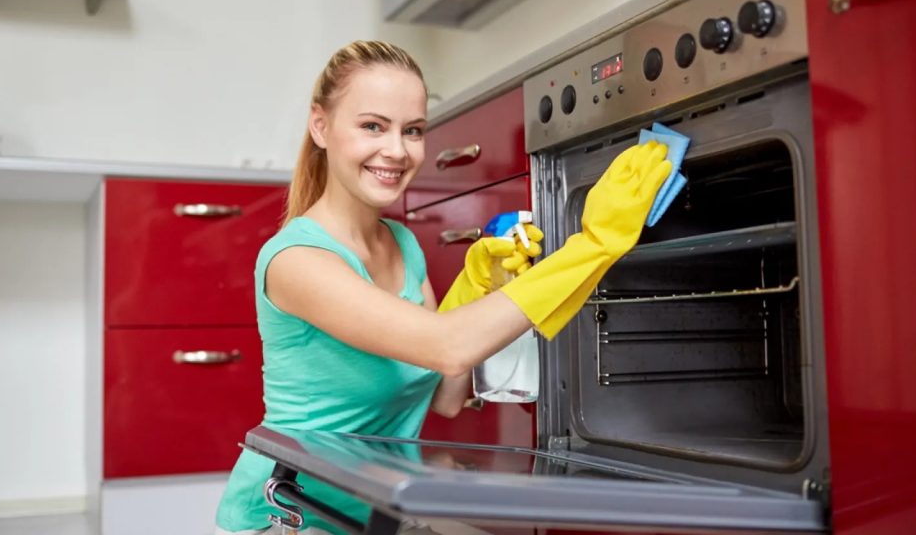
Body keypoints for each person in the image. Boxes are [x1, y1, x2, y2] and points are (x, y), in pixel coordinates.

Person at [214, 40, 671, 535]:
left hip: (373, 514)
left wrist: (479, 283)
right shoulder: (298, 260)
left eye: (412, 131)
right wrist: (593, 246)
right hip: (291, 516)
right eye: (372, 126)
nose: (396, 150)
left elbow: (447, 395)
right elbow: (448, 347)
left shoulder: (402, 244)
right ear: (320, 126)